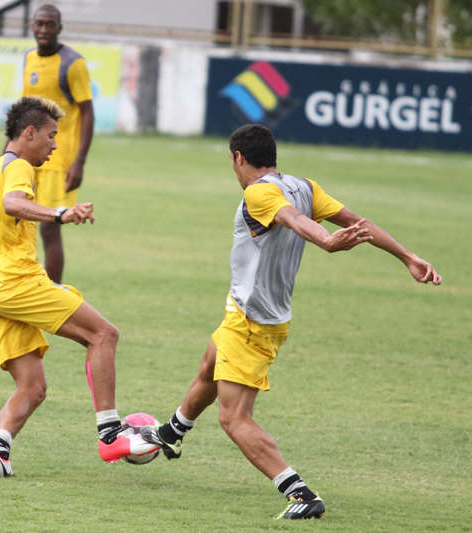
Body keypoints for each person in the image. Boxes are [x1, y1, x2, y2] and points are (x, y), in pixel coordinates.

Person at [142, 124, 442, 519]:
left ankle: (300, 494)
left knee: (234, 418)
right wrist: (407, 256)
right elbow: (359, 222)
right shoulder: (304, 186)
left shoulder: (260, 192)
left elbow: (293, 221)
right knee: (209, 365)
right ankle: (170, 434)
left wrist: (326, 241)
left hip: (253, 322)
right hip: (245, 310)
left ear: (238, 158)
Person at [0, 96, 156, 478]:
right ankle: (110, 435)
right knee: (103, 333)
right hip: (16, 281)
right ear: (30, 132)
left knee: (33, 385)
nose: (56, 145)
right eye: (52, 136)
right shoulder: (20, 167)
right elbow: (13, 204)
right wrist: (61, 213)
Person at [21, 3, 95, 284]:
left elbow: (87, 112)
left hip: (57, 160)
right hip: (26, 156)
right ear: (32, 26)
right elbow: (23, 109)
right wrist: (7, 151)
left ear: (59, 28)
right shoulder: (28, 58)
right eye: (39, 23)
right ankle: (25, 286)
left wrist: (79, 162)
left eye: (50, 24)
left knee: (51, 228)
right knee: (18, 221)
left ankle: (52, 294)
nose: (43, 29)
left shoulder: (72, 63)